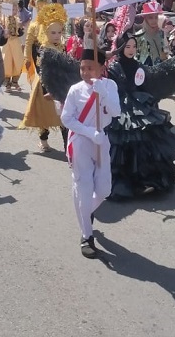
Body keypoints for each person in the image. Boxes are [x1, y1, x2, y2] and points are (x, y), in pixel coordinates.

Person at [105, 31, 175, 198]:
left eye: (134, 46)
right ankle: (124, 182)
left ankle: (148, 179)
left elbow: (145, 84)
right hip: (120, 108)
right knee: (123, 143)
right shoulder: (113, 67)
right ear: (120, 47)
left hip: (140, 105)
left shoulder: (140, 66)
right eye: (127, 46)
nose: (131, 49)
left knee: (147, 139)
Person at [60, 49, 121, 258]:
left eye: (90, 68)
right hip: (80, 141)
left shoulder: (110, 85)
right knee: (83, 186)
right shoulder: (75, 90)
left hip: (101, 140)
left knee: (104, 189)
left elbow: (116, 112)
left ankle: (84, 210)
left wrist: (102, 92)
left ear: (102, 68)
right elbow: (67, 119)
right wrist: (88, 132)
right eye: (82, 68)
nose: (86, 72)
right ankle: (86, 234)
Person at [19, 3, 69, 153]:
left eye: (59, 32)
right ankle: (43, 140)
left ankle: (67, 145)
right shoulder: (44, 49)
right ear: (46, 32)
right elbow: (42, 70)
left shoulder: (63, 46)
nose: (57, 36)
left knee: (63, 116)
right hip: (45, 86)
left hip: (60, 87)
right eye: (53, 33)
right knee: (44, 114)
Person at [135, 1, 169, 67]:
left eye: (156, 17)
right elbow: (135, 56)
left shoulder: (161, 33)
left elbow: (166, 50)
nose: (154, 20)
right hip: (144, 70)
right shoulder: (139, 35)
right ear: (145, 18)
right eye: (150, 18)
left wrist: (165, 54)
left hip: (161, 68)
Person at [1, 0, 24, 90]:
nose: (13, 11)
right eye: (11, 9)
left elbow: (20, 31)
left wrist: (20, 30)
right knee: (7, 61)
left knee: (17, 60)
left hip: (15, 42)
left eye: (15, 9)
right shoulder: (3, 19)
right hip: (7, 43)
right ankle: (7, 82)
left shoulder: (17, 19)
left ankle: (15, 81)